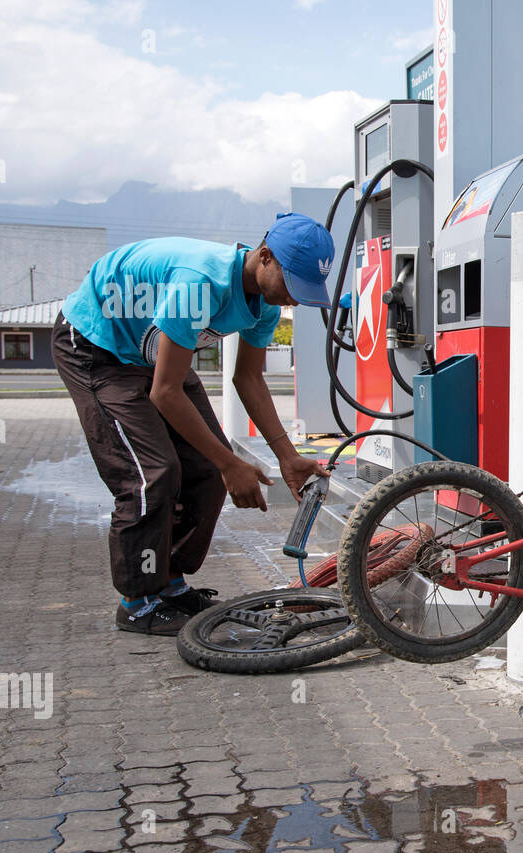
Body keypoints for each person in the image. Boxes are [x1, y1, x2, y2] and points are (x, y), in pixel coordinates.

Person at [52, 213, 335, 636]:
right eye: (292, 285)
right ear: (265, 257)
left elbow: (249, 378)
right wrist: (232, 462)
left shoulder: (264, 304)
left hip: (151, 351)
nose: (294, 300)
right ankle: (138, 601)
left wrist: (287, 457)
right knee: (151, 475)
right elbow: (165, 392)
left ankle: (169, 583)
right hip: (99, 347)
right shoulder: (199, 283)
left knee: (204, 471)